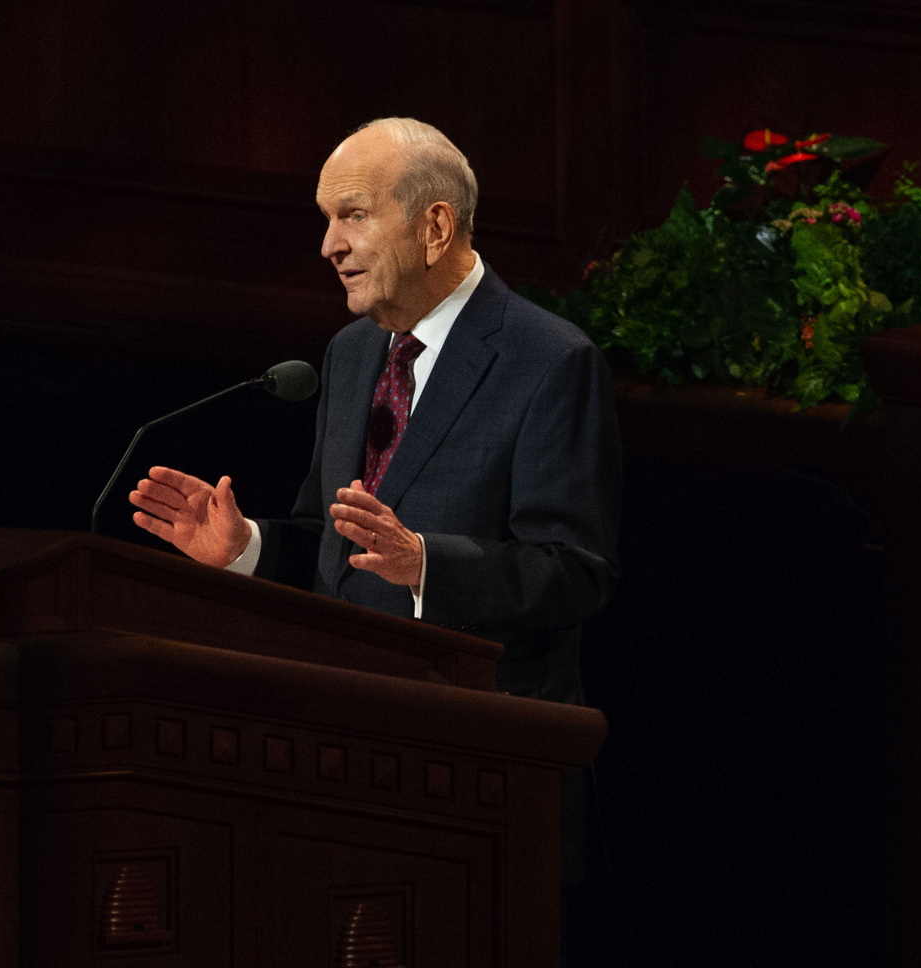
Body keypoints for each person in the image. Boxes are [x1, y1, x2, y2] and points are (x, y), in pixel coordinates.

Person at [129, 117, 620, 703]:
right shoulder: (353, 351)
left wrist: (424, 565)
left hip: (480, 739)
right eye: (327, 219)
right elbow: (336, 546)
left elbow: (575, 574)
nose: (329, 245)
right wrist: (247, 548)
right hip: (348, 724)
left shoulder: (549, 361)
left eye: (353, 215)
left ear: (434, 227)